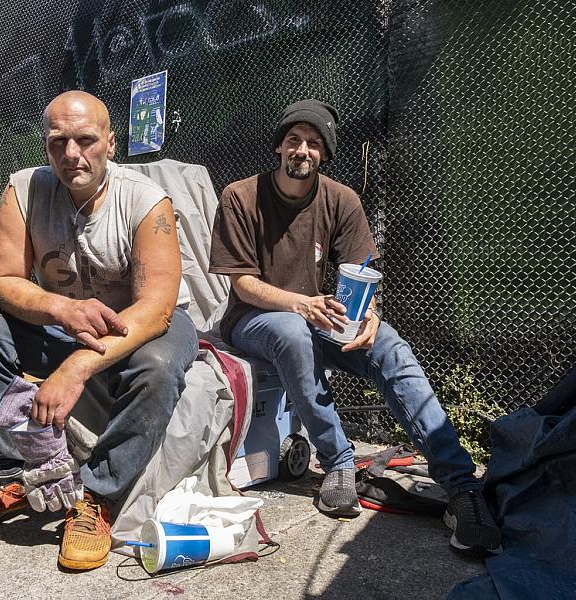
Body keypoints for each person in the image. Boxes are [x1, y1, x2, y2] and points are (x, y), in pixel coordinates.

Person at [208, 99, 502, 555]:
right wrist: (302, 305)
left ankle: (462, 488)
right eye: (293, 140)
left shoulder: (342, 199)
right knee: (290, 331)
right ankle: (339, 462)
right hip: (255, 320)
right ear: (278, 147)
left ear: (324, 153)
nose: (302, 150)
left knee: (391, 348)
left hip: (321, 316)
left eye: (313, 143)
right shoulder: (241, 195)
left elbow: (358, 273)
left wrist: (369, 315)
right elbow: (243, 284)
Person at [0, 91, 197, 570]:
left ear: (111, 143)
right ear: (46, 145)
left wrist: (78, 367)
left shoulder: (145, 201)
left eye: (86, 140)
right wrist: (61, 308)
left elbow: (157, 307)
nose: (72, 154)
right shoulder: (24, 190)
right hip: (65, 323)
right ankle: (8, 475)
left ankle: (98, 497)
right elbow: (2, 280)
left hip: (141, 327)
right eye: (59, 142)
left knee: (160, 365)